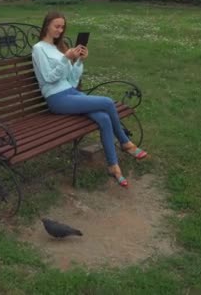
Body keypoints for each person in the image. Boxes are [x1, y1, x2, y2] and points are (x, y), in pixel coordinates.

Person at [31, 11, 147, 188]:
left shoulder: (57, 49)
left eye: (62, 27)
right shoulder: (38, 49)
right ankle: (125, 143)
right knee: (108, 102)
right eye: (57, 26)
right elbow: (48, 78)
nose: (60, 30)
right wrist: (66, 59)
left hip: (70, 92)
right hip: (57, 99)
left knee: (104, 118)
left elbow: (72, 80)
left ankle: (113, 166)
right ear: (47, 25)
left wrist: (78, 61)